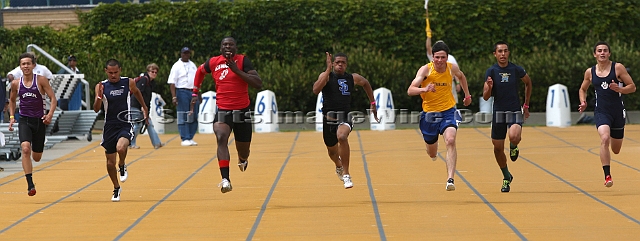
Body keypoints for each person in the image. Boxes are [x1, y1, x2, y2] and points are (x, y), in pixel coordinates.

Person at [192, 37, 262, 193]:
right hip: (223, 110)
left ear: (236, 47)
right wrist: (195, 92)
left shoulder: (243, 61)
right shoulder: (214, 62)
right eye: (225, 45)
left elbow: (258, 83)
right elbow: (200, 71)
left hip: (242, 111)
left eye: (231, 44)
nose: (228, 46)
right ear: (220, 48)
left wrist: (237, 70)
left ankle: (242, 159)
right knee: (221, 138)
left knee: (243, 150)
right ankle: (225, 180)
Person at [407, 41, 471, 191]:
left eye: (443, 57)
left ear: (447, 58)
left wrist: (467, 95)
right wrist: (424, 90)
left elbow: (461, 77)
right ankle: (431, 149)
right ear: (433, 58)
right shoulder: (426, 70)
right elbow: (410, 90)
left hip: (448, 111)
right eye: (437, 57)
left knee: (450, 140)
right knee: (432, 152)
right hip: (430, 114)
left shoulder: (451, 68)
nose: (440, 61)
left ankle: (450, 179)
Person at [312, 52, 379, 189]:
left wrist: (372, 103)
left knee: (342, 137)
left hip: (345, 116)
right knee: (332, 152)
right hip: (328, 119)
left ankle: (347, 174)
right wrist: (327, 70)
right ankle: (338, 165)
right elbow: (315, 90)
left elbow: (366, 83)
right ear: (333, 64)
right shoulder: (326, 76)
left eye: (343, 62)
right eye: (337, 62)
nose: (340, 65)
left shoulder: (352, 78)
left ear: (346, 64)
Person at [578, 41, 636, 188]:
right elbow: (582, 89)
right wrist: (583, 102)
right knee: (604, 138)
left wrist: (620, 89)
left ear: (609, 53)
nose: (602, 53)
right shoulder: (590, 72)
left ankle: (611, 133)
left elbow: (632, 87)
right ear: (594, 54)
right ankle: (607, 176)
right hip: (601, 111)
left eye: (605, 50)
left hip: (617, 111)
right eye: (599, 51)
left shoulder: (617, 68)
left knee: (616, 150)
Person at [93, 59, 148, 201]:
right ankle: (116, 188)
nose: (113, 75)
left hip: (125, 122)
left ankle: (122, 164)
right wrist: (99, 96)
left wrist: (144, 107)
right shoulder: (101, 86)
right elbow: (96, 109)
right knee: (110, 163)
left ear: (120, 70)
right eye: (110, 73)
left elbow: (136, 92)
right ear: (106, 71)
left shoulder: (128, 82)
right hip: (109, 126)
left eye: (116, 72)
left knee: (121, 148)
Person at [482, 41, 532, 193]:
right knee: (497, 149)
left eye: (505, 51)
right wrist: (489, 88)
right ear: (495, 54)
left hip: (514, 110)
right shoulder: (491, 71)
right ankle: (506, 177)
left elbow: (528, 83)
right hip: (498, 112)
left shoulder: (515, 69)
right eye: (500, 51)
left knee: (514, 136)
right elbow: (485, 97)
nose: (503, 54)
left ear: (508, 53)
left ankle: (514, 146)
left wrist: (526, 105)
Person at [7, 52, 58, 196]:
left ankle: (37, 149)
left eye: (28, 63)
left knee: (36, 157)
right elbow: (11, 100)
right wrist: (11, 116)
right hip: (24, 120)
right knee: (25, 148)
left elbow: (53, 99)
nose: (26, 66)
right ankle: (30, 184)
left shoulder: (41, 80)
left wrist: (49, 115)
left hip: (39, 121)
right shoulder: (16, 83)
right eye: (23, 64)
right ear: (20, 66)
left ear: (33, 65)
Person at [168, 47, 199, 146]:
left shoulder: (193, 65)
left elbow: (198, 81)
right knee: (183, 114)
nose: (186, 55)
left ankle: (190, 136)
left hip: (193, 91)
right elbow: (172, 83)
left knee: (194, 114)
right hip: (182, 91)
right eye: (184, 53)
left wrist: (199, 94)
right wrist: (174, 97)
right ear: (181, 54)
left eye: (188, 53)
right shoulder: (176, 66)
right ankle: (184, 137)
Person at [129, 63, 164, 149]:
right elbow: (138, 93)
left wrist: (146, 109)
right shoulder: (144, 80)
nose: (154, 74)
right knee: (138, 124)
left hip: (143, 106)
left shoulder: (152, 83)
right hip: (135, 105)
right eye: (152, 71)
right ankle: (130, 142)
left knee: (149, 124)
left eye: (156, 72)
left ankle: (157, 143)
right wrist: (142, 106)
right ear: (148, 71)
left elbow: (148, 98)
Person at [426, 37, 461, 105]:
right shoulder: (433, 57)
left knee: (451, 103)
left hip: (449, 83)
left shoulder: (451, 58)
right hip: (436, 84)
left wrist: (457, 83)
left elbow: (456, 72)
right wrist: (428, 37)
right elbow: (428, 47)